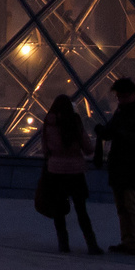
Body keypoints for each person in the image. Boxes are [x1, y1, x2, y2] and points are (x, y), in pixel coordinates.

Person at [95, 77, 135, 256]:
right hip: (120, 166)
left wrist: (118, 133)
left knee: (133, 205)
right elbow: (111, 131)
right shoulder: (122, 111)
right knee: (122, 206)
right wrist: (103, 132)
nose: (119, 100)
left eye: (121, 96)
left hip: (133, 166)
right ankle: (128, 241)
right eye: (118, 97)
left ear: (132, 95)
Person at [41, 95, 102, 254]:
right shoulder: (75, 121)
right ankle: (92, 244)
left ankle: (63, 244)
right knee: (81, 210)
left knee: (58, 211)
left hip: (55, 171)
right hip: (75, 171)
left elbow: (45, 149)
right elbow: (87, 148)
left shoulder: (48, 122)